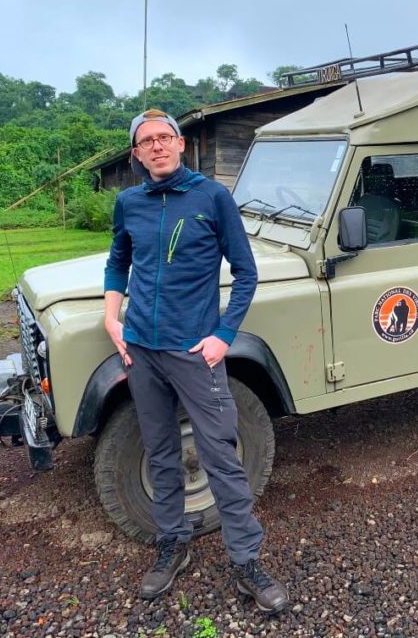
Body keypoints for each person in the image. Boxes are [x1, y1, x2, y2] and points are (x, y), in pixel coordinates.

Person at [103, 108, 289, 613]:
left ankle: (247, 561)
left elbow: (245, 272)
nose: (158, 146)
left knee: (221, 457)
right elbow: (118, 260)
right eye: (147, 141)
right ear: (137, 154)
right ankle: (173, 542)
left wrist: (223, 335)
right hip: (141, 350)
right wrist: (112, 321)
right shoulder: (129, 202)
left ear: (181, 145)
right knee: (161, 451)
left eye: (166, 137)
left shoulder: (212, 197)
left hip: (194, 352)